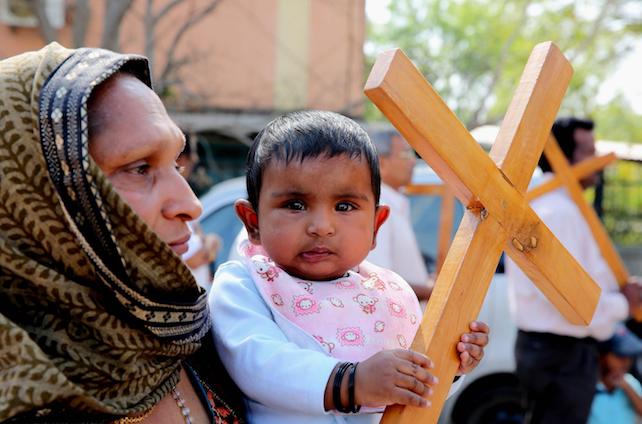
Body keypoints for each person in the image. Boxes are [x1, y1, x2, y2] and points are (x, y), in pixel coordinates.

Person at [0, 43, 244, 423]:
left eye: (176, 164)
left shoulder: (206, 343)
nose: (190, 204)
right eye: (139, 167)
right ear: (32, 197)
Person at [209, 111, 490, 423]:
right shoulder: (244, 284)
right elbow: (258, 364)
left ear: (375, 226)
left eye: (344, 206)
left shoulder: (384, 293)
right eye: (295, 205)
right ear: (253, 222)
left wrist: (450, 365)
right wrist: (353, 382)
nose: (322, 226)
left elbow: (409, 383)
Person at [507, 116, 642, 424]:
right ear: (563, 158)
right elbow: (570, 298)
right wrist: (624, 303)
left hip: (566, 351)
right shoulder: (558, 213)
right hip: (559, 354)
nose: (597, 161)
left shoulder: (563, 208)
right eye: (588, 152)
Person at [366, 128, 432, 301]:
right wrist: (433, 291)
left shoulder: (395, 202)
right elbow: (378, 281)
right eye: (405, 155)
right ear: (381, 164)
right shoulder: (380, 206)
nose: (413, 161)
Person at [177, 131, 222, 292]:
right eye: (192, 158)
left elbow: (205, 242)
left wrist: (210, 242)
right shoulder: (173, 202)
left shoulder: (185, 199)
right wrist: (209, 247)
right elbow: (194, 258)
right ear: (181, 160)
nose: (194, 163)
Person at [588, 324, 642, 424]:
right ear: (602, 356)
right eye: (620, 356)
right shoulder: (585, 385)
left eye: (629, 356)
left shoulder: (630, 382)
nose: (626, 362)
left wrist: (627, 387)